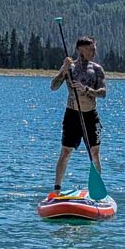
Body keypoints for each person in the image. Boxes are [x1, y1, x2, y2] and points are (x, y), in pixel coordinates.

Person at [50, 36, 106, 193]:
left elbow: (103, 93)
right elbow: (53, 87)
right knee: (66, 152)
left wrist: (87, 90)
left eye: (94, 49)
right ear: (80, 50)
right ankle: (57, 189)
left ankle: (96, 190)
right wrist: (62, 70)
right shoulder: (70, 67)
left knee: (95, 152)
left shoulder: (97, 69)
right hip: (72, 115)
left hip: (90, 115)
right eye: (90, 49)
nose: (94, 52)